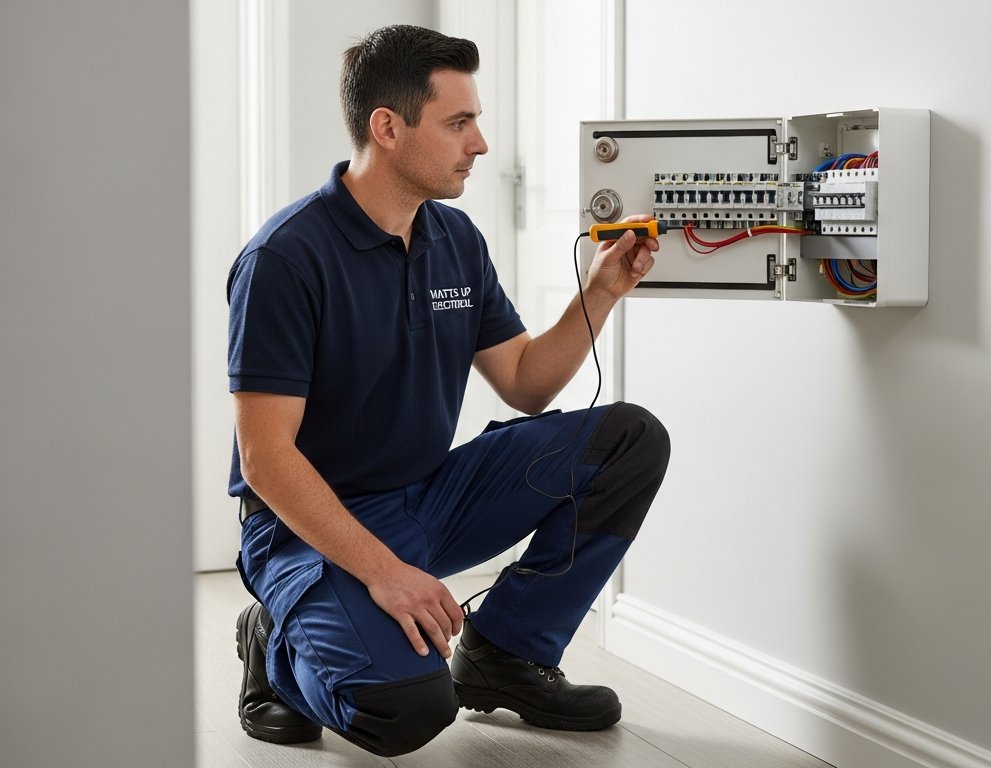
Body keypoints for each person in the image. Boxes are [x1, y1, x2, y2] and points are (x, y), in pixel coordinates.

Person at [227, 24, 669, 757]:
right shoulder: (285, 258)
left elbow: (525, 384)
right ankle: (273, 643)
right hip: (306, 527)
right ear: (388, 128)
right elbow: (265, 459)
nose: (480, 144)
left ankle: (507, 654)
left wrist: (602, 292)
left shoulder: (456, 239)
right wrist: (387, 574)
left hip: (429, 498)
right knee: (405, 710)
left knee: (629, 440)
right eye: (459, 122)